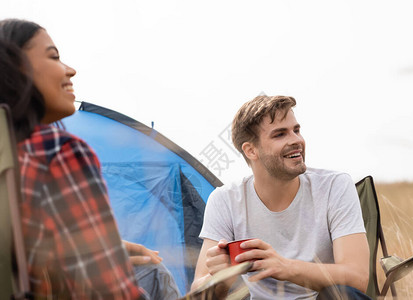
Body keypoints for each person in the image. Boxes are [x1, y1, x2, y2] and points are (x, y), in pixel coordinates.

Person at [0, 19, 180, 299]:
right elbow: (110, 292)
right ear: (17, 68)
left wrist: (109, 248)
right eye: (54, 57)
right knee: (156, 275)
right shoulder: (56, 152)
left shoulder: (10, 159)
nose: (70, 70)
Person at [191, 95, 371, 299]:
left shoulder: (334, 186)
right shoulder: (225, 200)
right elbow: (197, 292)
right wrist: (219, 280)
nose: (296, 140)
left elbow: (357, 278)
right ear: (251, 150)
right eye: (280, 134)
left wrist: (285, 267)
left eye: (296, 130)